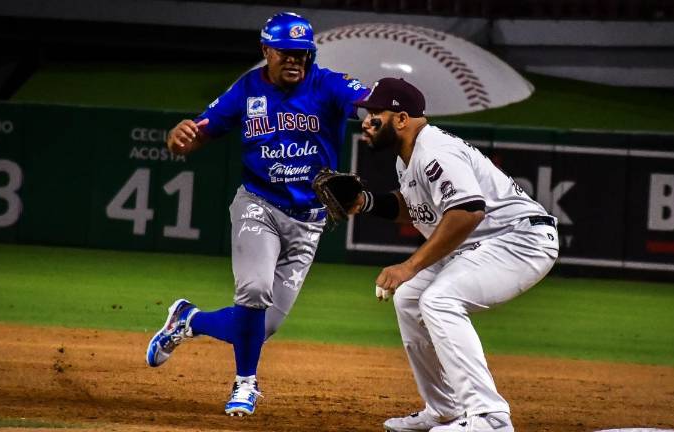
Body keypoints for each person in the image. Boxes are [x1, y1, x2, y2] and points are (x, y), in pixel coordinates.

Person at [144, 12, 369, 417]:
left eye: (303, 53)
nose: (295, 61)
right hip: (259, 205)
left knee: (259, 327)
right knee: (254, 291)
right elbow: (197, 133)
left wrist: (374, 117)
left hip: (309, 220)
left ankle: (188, 319)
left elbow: (364, 101)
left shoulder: (326, 83)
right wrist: (180, 139)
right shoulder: (247, 90)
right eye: (285, 53)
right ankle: (245, 384)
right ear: (266, 50)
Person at [351, 78, 559, 432]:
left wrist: (409, 265)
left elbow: (467, 211)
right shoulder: (409, 159)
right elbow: (417, 209)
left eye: (375, 114)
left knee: (439, 299)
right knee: (410, 299)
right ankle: (444, 408)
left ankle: (490, 417)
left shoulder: (435, 151)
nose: (367, 122)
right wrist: (367, 202)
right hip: (488, 243)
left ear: (401, 119)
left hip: (521, 239)